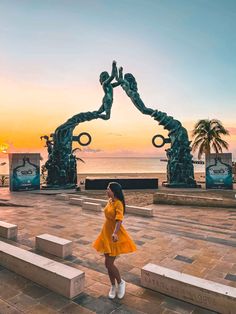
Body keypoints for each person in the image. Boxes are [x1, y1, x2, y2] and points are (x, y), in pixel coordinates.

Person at [93, 182, 136, 299]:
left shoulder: (119, 204)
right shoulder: (110, 201)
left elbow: (119, 220)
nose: (106, 191)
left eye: (108, 189)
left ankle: (121, 282)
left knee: (109, 263)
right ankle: (113, 286)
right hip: (105, 233)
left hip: (114, 235)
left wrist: (115, 233)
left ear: (114, 191)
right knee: (108, 264)